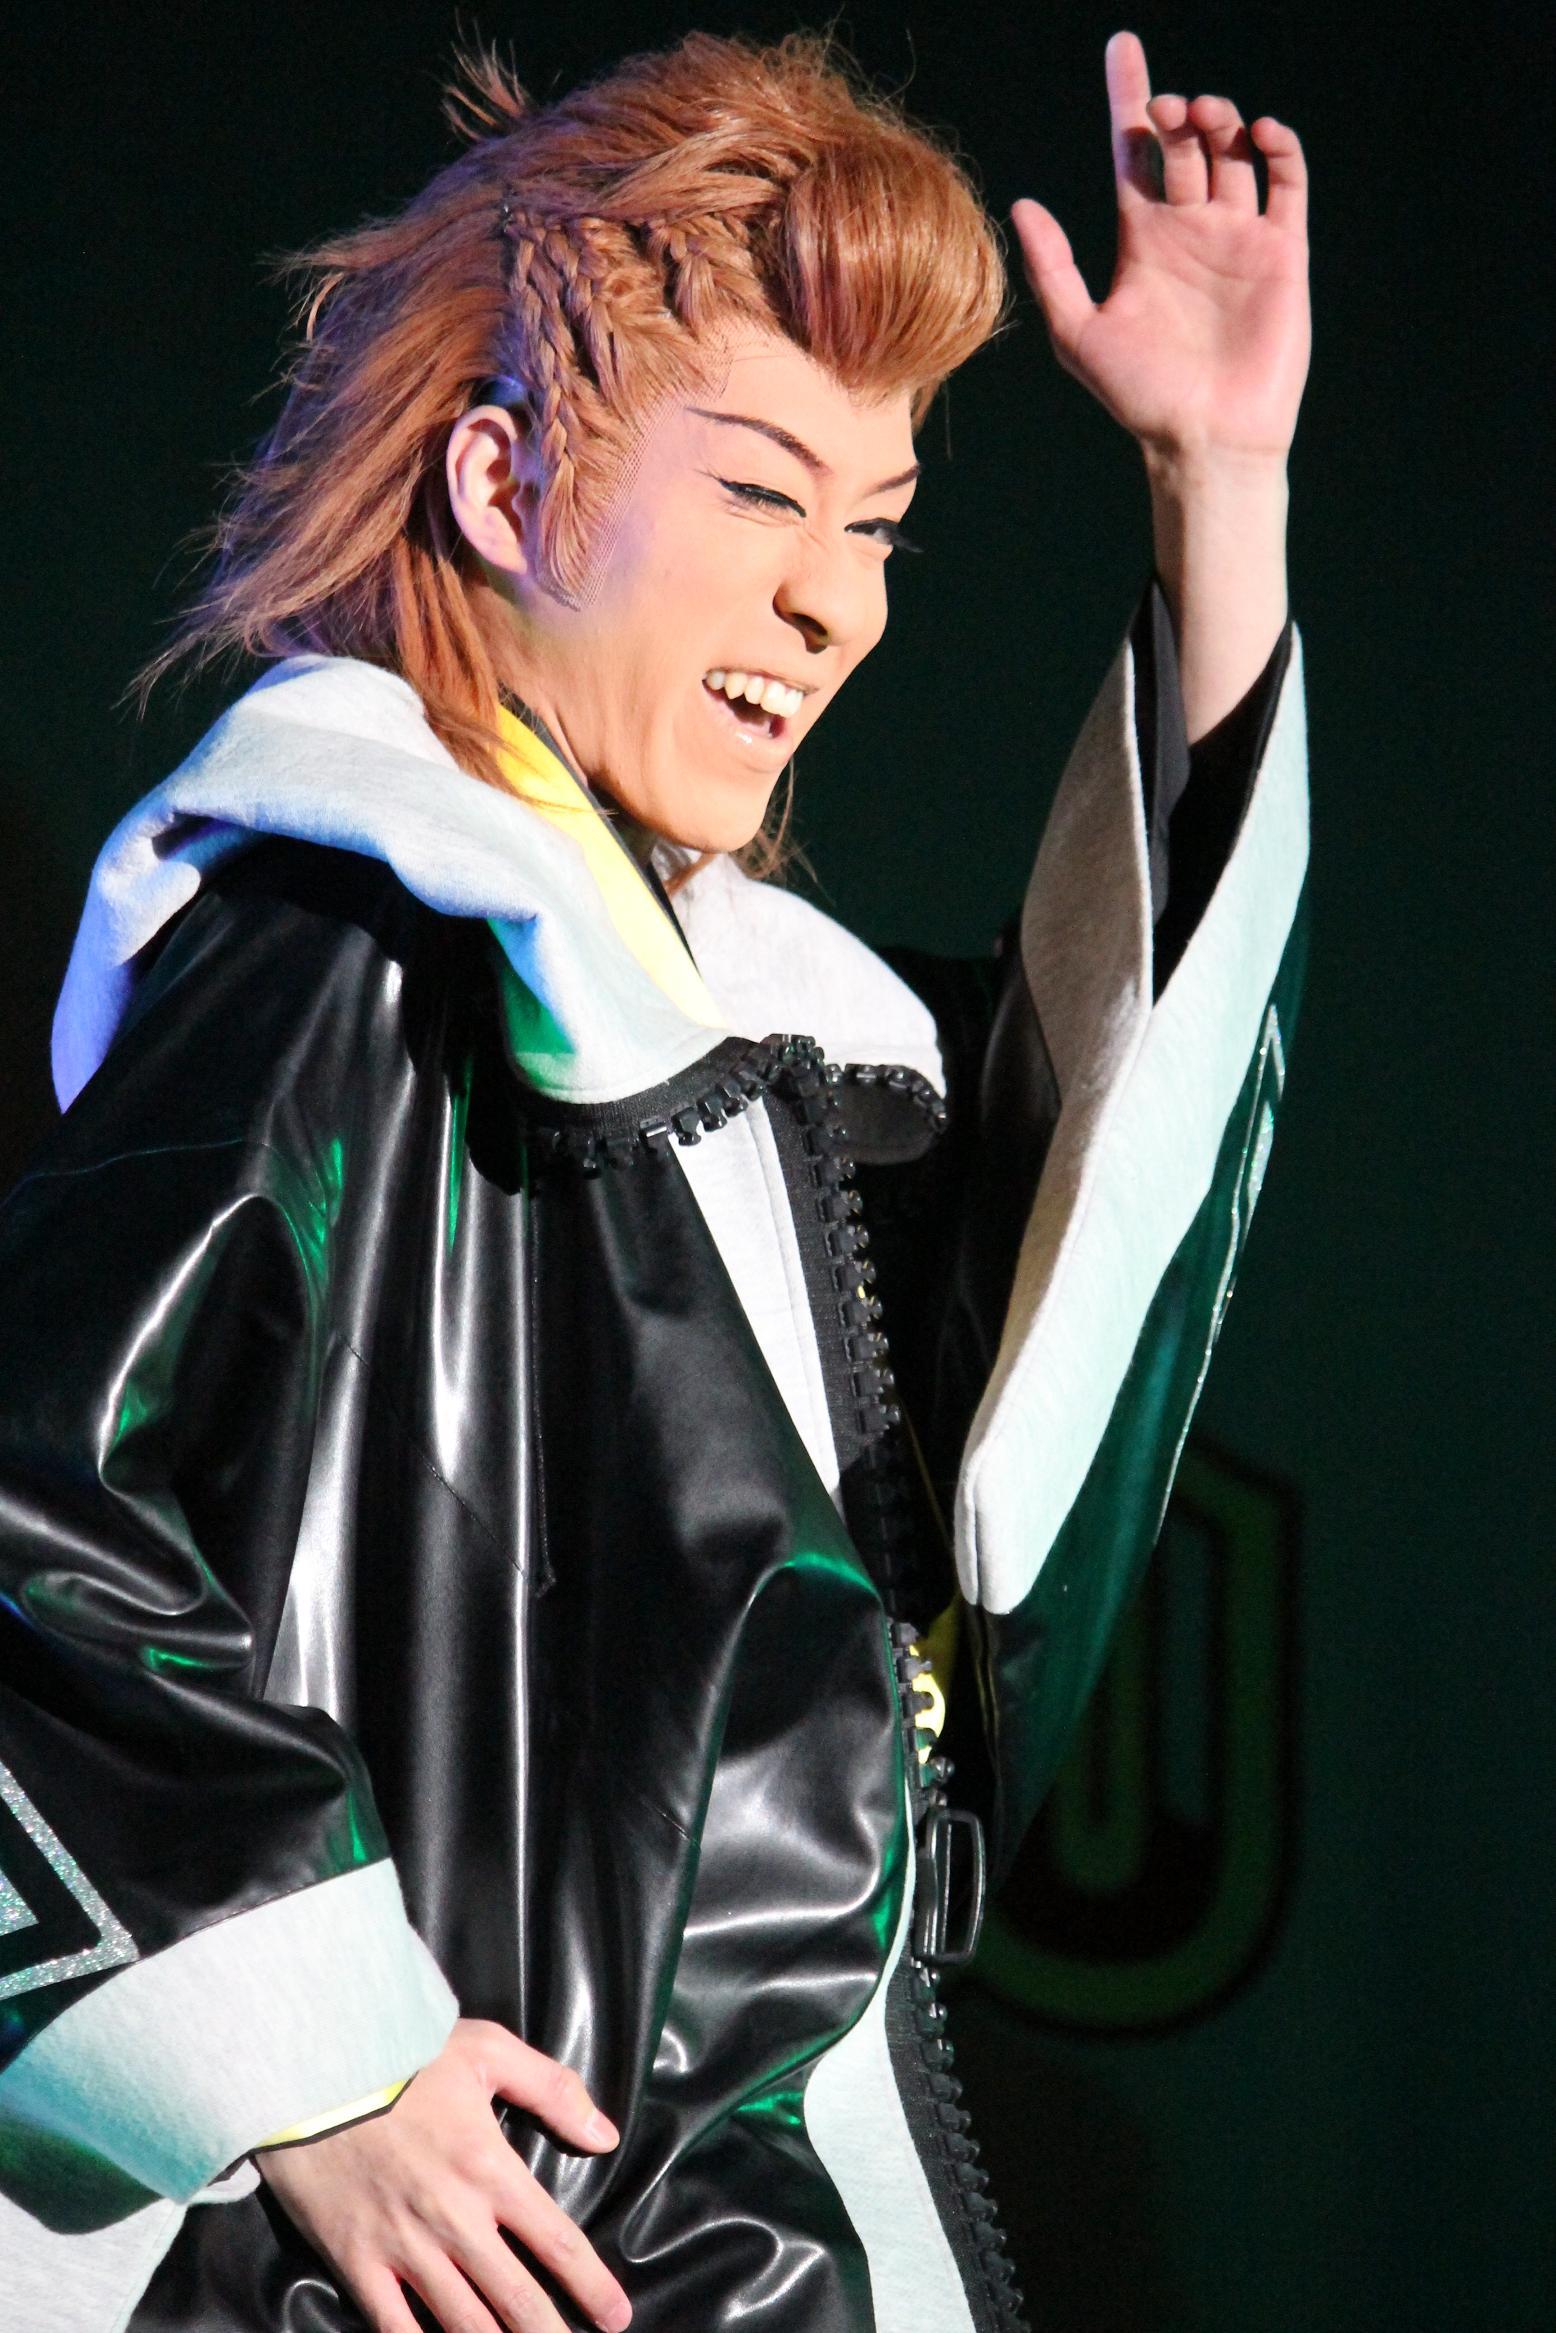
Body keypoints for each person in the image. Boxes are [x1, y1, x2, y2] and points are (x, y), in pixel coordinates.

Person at [0, 26, 1310, 2333]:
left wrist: (1217, 486)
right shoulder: (351, 926)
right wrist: (304, 2060)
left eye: (875, 524)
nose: (835, 606)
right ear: (505, 487)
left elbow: (1059, 1319)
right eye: (760, 493)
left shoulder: (721, 1031)